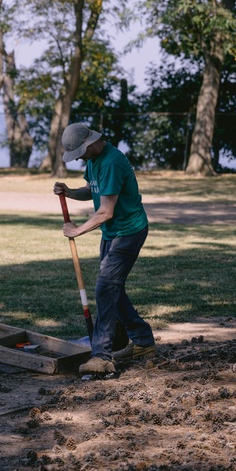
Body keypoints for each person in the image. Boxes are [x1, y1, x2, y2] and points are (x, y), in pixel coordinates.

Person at [53, 123, 155, 375]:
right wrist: (69, 192)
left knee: (105, 287)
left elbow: (105, 211)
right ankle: (143, 341)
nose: (79, 158)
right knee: (112, 288)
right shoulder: (95, 160)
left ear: (90, 143)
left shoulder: (111, 162)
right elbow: (93, 190)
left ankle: (101, 356)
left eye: (80, 152)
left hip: (128, 232)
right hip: (113, 232)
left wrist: (77, 230)